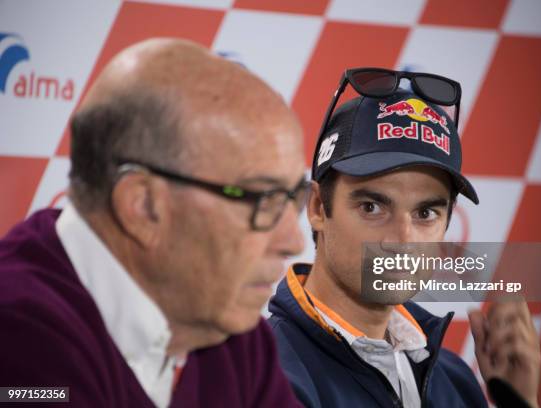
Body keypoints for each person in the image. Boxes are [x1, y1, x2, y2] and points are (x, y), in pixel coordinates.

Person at [0, 38, 309, 407]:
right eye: (263, 200)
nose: (294, 241)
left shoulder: (230, 332)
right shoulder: (18, 338)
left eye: (294, 198)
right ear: (143, 205)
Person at [269, 68, 541, 407]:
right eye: (372, 207)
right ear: (317, 208)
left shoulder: (453, 377)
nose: (403, 239)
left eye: (425, 213)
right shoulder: (268, 379)